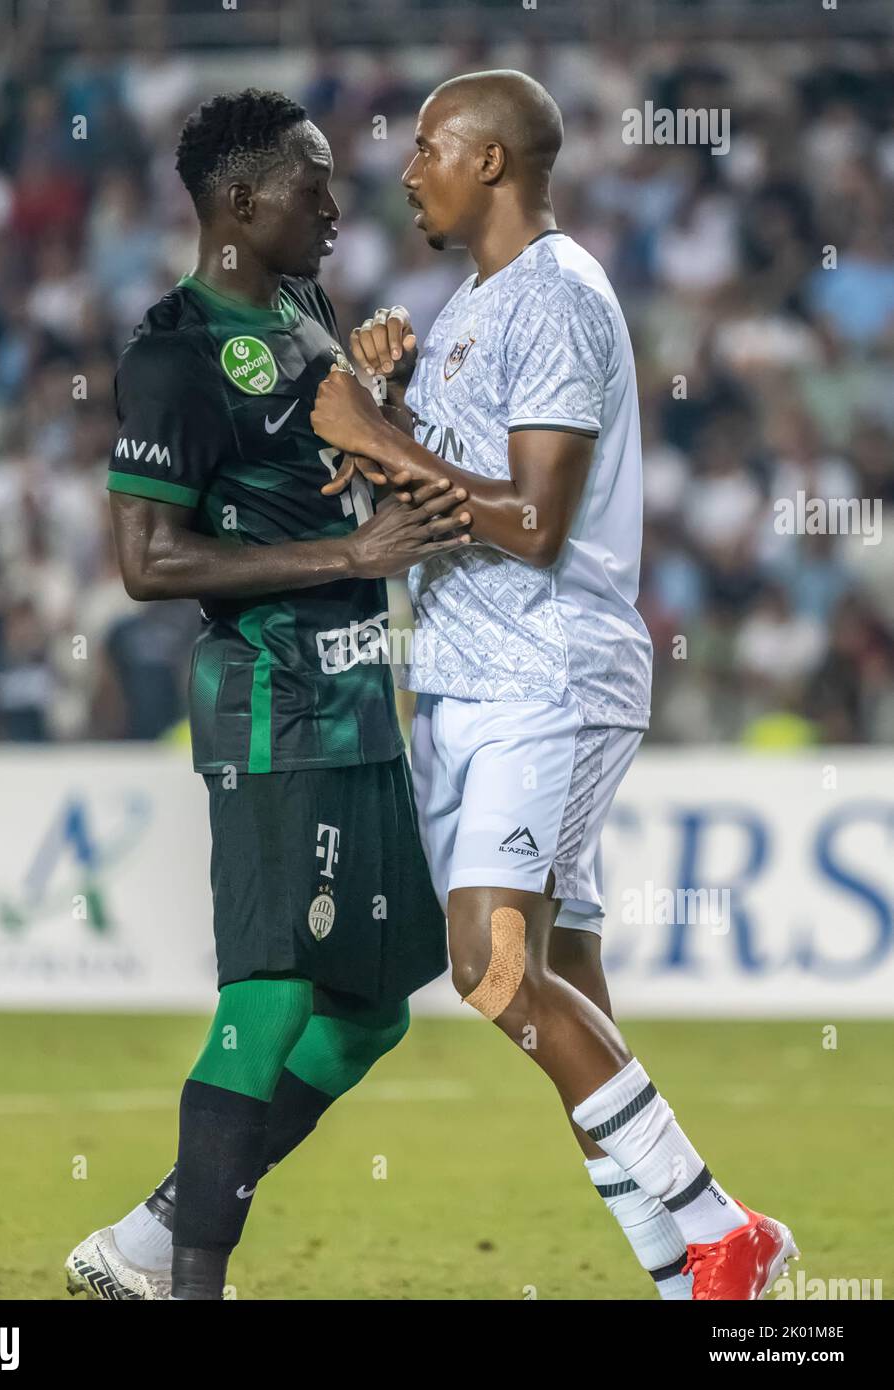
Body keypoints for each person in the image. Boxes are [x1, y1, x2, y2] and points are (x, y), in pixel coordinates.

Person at [309, 69, 798, 1301]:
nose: (406, 165)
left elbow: (532, 521)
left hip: (549, 669)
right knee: (565, 981)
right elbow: (445, 490)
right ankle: (688, 1282)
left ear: (490, 162)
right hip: (469, 677)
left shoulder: (566, 297)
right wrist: (387, 407)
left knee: (490, 959)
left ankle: (718, 1221)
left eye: (427, 145)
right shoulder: (472, 303)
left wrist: (380, 438)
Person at [65, 89, 466, 1301]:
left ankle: (145, 1244)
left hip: (358, 701)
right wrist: (351, 559)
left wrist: (385, 390)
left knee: (379, 1006)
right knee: (275, 989)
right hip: (266, 706)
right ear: (240, 203)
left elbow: (344, 468)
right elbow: (149, 562)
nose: (340, 210)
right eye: (315, 184)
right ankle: (191, 1284)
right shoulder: (173, 356)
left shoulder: (303, 306)